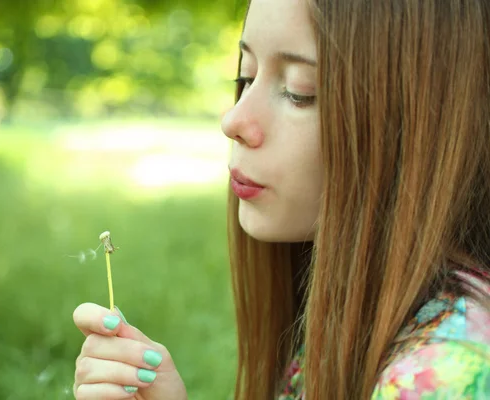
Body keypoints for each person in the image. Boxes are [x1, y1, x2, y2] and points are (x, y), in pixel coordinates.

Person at [71, 0, 490, 398]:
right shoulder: (357, 319)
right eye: (246, 78)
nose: (233, 120)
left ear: (413, 125)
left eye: (298, 90)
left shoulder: (444, 376)